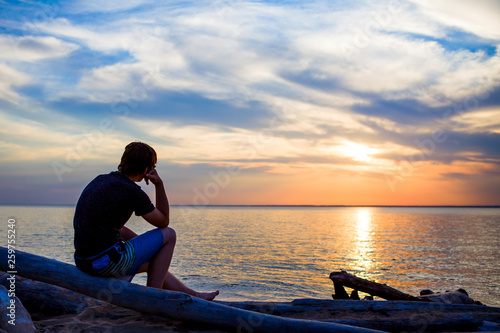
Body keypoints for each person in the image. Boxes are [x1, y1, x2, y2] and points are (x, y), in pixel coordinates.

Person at [73, 141, 219, 301]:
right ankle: (152, 299)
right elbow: (163, 221)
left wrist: (148, 249)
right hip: (105, 263)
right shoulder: (131, 191)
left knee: (155, 263)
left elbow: (118, 228)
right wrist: (159, 184)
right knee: (169, 234)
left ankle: (193, 295)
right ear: (146, 170)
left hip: (84, 261)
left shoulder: (101, 180)